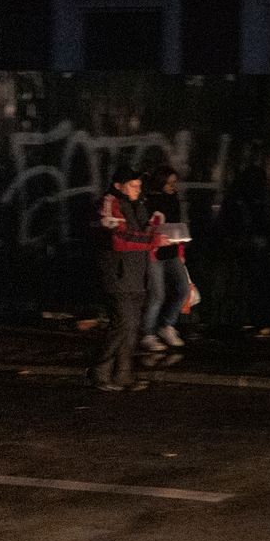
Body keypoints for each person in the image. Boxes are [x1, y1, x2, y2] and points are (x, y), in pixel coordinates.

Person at [90, 165, 164, 392]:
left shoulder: (138, 204)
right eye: (133, 185)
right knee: (122, 324)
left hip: (135, 274)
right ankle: (100, 371)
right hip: (117, 275)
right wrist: (153, 240)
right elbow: (119, 238)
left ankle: (123, 375)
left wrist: (158, 228)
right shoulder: (110, 203)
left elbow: (143, 233)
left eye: (139, 186)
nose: (137, 189)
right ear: (118, 185)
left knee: (132, 328)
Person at [138, 165, 192, 354]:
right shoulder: (149, 201)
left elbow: (178, 225)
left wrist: (181, 251)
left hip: (172, 252)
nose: (172, 186)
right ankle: (148, 334)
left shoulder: (174, 200)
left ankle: (167, 325)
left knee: (183, 289)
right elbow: (144, 227)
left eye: (174, 183)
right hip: (155, 253)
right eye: (169, 183)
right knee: (157, 295)